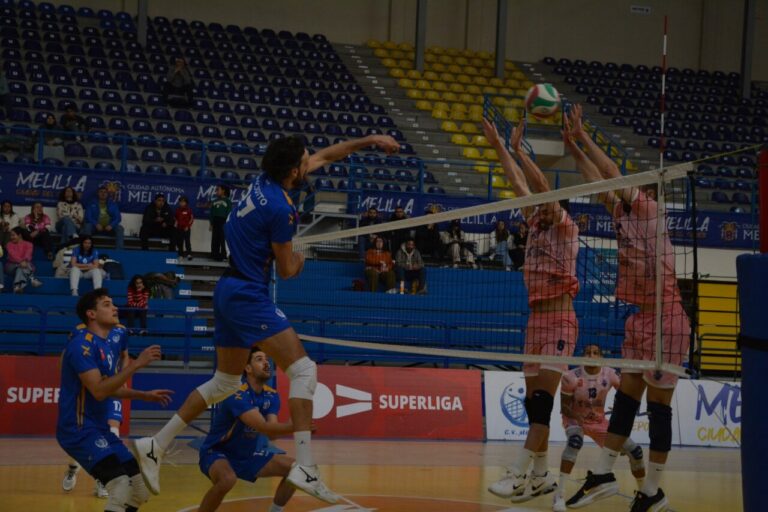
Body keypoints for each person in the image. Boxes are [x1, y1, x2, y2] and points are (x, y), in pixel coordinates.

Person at [132, 133, 400, 503]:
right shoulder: (281, 209)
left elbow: (326, 155)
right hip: (248, 294)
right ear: (293, 171)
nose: (312, 161)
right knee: (304, 371)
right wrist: (300, 258)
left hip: (227, 289)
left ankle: (155, 443)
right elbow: (288, 271)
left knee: (224, 382)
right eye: (305, 161)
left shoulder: (262, 183)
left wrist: (370, 140)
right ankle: (305, 465)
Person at [563, 104, 690, 512]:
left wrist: (584, 135)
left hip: (667, 318)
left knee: (658, 411)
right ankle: (602, 472)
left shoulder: (651, 211)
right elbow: (597, 181)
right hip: (639, 317)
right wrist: (572, 148)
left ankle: (653, 491)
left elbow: (614, 176)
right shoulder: (622, 215)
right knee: (627, 402)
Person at [483, 117, 580, 503]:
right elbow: (519, 185)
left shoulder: (563, 226)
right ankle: (540, 477)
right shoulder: (536, 226)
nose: (534, 209)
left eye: (541, 207)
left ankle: (518, 471)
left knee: (541, 401)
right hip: (534, 320)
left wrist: (521, 150)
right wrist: (498, 147)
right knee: (530, 403)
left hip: (559, 319)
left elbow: (538, 186)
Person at [56, 289, 171, 512]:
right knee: (119, 486)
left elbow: (111, 387)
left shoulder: (106, 345)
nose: (115, 308)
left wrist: (144, 395)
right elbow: (99, 391)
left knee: (139, 489)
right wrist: (136, 365)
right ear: (91, 314)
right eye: (107, 304)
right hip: (78, 429)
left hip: (99, 428)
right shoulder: (81, 345)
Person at [197, 346, 299, 512]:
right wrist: (296, 426)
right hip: (216, 452)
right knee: (227, 479)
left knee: (296, 469)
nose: (266, 363)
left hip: (247, 456)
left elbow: (272, 436)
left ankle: (275, 511)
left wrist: (293, 422)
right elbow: (263, 427)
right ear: (248, 368)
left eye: (267, 359)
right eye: (259, 359)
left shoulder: (271, 395)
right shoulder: (237, 393)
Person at [552, 344, 646, 512]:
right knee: (574, 442)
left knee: (636, 452)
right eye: (588, 352)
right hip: (575, 419)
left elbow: (627, 395)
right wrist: (576, 416)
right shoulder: (570, 376)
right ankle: (559, 494)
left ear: (601, 357)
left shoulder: (609, 373)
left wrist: (621, 411)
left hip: (599, 422)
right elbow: (563, 407)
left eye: (595, 352)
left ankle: (644, 495)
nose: (591, 355)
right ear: (583, 356)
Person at [62, 321, 132, 499]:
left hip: (112, 386)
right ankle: (72, 469)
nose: (114, 309)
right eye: (107, 305)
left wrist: (123, 376)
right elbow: (66, 356)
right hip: (92, 387)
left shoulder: (121, 331)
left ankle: (103, 481)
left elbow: (125, 355)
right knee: (88, 438)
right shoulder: (79, 331)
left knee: (112, 433)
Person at [5, 227, 43, 293]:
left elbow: (28, 255)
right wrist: (22, 262)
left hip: (25, 265)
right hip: (11, 266)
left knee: (20, 268)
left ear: (19, 235)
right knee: (21, 266)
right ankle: (32, 279)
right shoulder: (9, 244)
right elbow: (13, 256)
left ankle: (17, 287)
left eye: (13, 235)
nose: (11, 237)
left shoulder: (29, 244)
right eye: (11, 235)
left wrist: (24, 261)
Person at [210, 185, 231, 261]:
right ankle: (214, 255)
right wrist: (211, 223)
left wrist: (227, 223)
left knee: (222, 238)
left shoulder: (228, 201)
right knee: (215, 238)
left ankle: (224, 255)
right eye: (216, 190)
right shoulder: (214, 201)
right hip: (215, 221)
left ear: (223, 191)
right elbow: (212, 212)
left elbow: (229, 212)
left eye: (218, 190)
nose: (216, 191)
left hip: (223, 221)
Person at [174, 196, 194, 260]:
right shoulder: (177, 210)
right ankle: (181, 255)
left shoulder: (189, 210)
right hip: (179, 229)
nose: (181, 203)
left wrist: (188, 226)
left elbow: (191, 219)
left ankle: (189, 254)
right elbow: (175, 218)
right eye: (180, 202)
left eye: (183, 202)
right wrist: (176, 223)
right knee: (180, 242)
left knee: (187, 242)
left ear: (186, 203)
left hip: (186, 229)